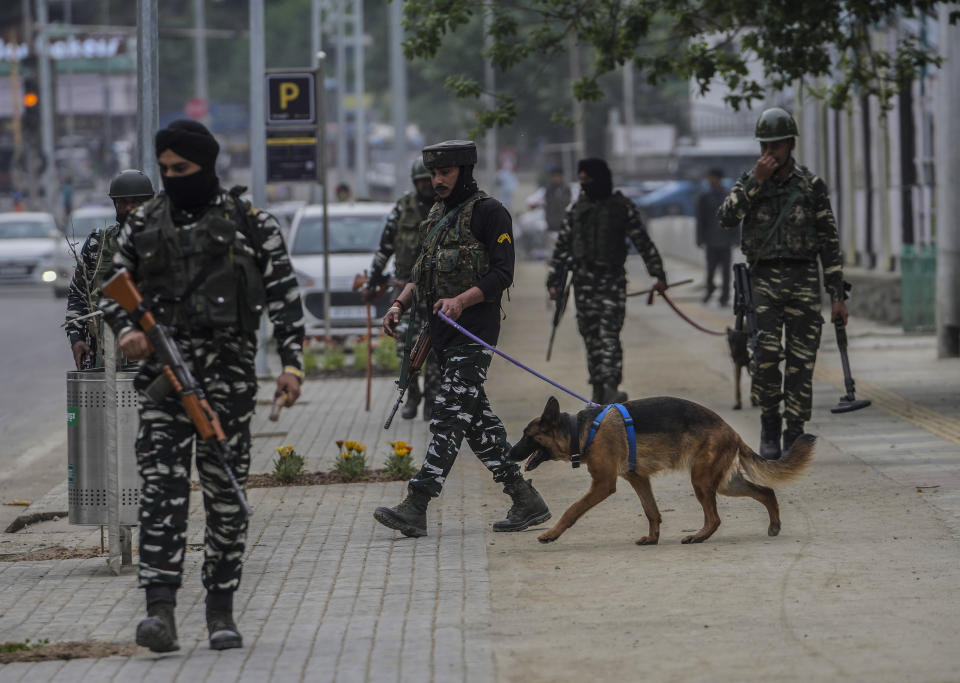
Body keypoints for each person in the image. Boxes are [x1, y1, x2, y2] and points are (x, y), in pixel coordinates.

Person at [99, 119, 306, 653]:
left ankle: (220, 611)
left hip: (228, 383)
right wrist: (127, 330)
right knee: (162, 495)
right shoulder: (143, 221)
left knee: (226, 501)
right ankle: (160, 613)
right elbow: (110, 288)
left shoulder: (249, 222)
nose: (171, 178)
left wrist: (292, 366)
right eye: (164, 170)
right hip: (163, 383)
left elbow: (285, 297)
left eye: (182, 170)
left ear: (207, 167)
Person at [373, 139, 550, 538]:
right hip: (441, 335)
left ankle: (416, 504)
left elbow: (502, 274)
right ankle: (525, 499)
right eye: (434, 174)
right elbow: (420, 274)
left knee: (450, 416)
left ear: (464, 172)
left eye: (445, 173)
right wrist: (398, 304)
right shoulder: (438, 214)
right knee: (477, 423)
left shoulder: (490, 214)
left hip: (475, 331)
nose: (437, 180)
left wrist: (461, 300)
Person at [718, 107, 847, 459]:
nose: (769, 151)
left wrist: (837, 295)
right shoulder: (750, 181)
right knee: (766, 356)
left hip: (804, 278)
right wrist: (756, 183)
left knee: (802, 361)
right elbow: (726, 218)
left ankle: (795, 428)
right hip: (763, 282)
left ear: (790, 144)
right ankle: (770, 423)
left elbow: (829, 241)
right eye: (765, 145)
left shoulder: (811, 186)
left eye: (776, 144)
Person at [546, 158, 668, 404]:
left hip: (611, 281)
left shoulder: (621, 207)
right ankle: (598, 388)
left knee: (609, 334)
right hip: (583, 282)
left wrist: (658, 274)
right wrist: (554, 281)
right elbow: (562, 247)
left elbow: (642, 242)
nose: (584, 185)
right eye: (581, 181)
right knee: (590, 336)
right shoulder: (576, 209)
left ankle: (611, 386)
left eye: (588, 180)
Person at [365, 156, 441, 420]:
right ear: (415, 182)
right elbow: (385, 246)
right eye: (422, 181)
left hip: (435, 291)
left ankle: (432, 399)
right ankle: (412, 395)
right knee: (405, 348)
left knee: (434, 348)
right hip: (404, 291)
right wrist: (373, 277)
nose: (427, 186)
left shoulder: (445, 208)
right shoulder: (403, 208)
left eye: (429, 180)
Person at [64, 169, 155, 370]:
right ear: (115, 205)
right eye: (123, 202)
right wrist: (76, 338)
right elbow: (79, 295)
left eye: (137, 202)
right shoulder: (99, 243)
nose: (130, 208)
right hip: (106, 353)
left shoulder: (165, 242)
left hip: (155, 353)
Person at [696, 168, 738, 307]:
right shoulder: (704, 197)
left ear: (719, 179)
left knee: (726, 272)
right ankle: (709, 291)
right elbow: (700, 219)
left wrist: (736, 238)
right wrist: (700, 238)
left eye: (712, 178)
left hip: (725, 241)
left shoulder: (728, 196)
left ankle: (724, 297)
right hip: (711, 241)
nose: (710, 181)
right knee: (710, 270)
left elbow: (735, 217)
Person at [543, 165, 571, 233]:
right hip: (551, 227)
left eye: (558, 176)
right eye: (554, 176)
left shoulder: (566, 190)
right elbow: (547, 208)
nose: (556, 178)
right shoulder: (549, 191)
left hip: (564, 226)